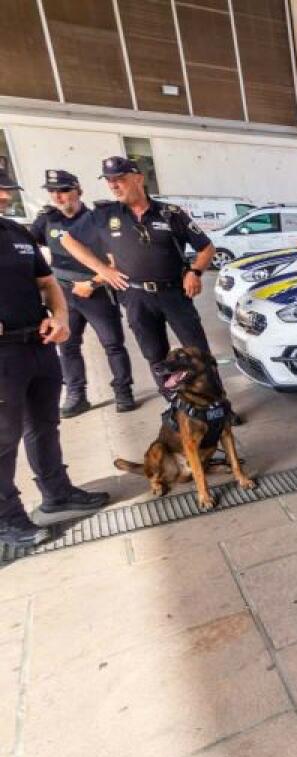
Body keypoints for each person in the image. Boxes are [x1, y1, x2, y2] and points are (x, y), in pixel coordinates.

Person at [0, 163, 108, 546]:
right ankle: (8, 519)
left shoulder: (16, 232)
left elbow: (46, 283)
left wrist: (60, 317)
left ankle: (57, 494)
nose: (5, 196)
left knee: (44, 425)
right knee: (3, 437)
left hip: (38, 344)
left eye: (6, 189)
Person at [59, 157, 221, 397]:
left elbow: (207, 248)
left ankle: (217, 402)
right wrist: (103, 271)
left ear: (138, 178)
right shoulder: (104, 215)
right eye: (109, 181)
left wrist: (195, 272)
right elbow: (67, 240)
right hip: (136, 297)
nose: (114, 185)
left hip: (174, 294)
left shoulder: (169, 213)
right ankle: (175, 404)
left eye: (120, 179)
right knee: (155, 356)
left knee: (198, 352)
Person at [29, 169, 136, 416]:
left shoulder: (98, 217)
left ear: (79, 191)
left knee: (113, 345)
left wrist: (92, 284)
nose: (58, 196)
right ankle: (77, 394)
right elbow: (26, 246)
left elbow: (117, 259)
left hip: (96, 292)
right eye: (53, 192)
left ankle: (123, 391)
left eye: (65, 191)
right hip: (64, 295)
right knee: (67, 346)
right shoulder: (46, 219)